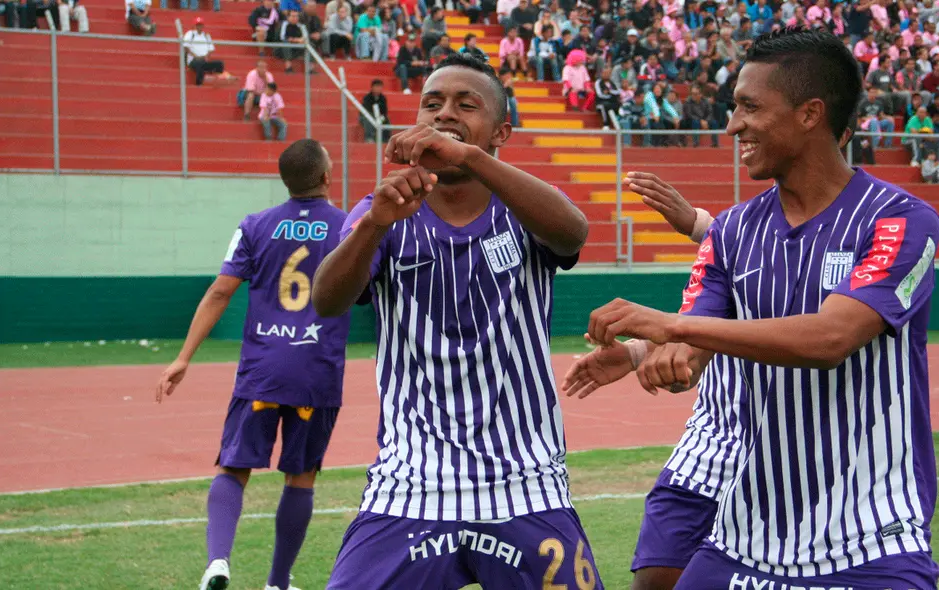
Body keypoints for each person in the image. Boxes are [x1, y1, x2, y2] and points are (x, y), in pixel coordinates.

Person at [572, 28, 939, 589]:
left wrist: (670, 326)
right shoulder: (731, 232)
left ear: (810, 114)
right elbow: (690, 351)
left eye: (749, 107)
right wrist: (660, 356)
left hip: (872, 539)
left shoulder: (900, 220)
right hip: (744, 541)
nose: (732, 125)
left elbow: (831, 339)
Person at [312, 52, 603, 590]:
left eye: (466, 106)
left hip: (526, 482)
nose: (445, 114)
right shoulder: (381, 210)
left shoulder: (523, 203)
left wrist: (471, 159)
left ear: (500, 132)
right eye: (432, 103)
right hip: (410, 483)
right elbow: (326, 302)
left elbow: (573, 233)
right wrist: (374, 226)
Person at [154, 139, 351, 590]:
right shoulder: (347, 227)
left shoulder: (254, 225)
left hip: (262, 369)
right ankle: (278, 582)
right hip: (316, 371)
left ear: (285, 181)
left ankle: (217, 564)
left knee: (233, 467)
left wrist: (183, 357)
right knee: (300, 477)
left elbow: (221, 291)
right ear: (326, 177)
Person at [183, 18, 234, 86]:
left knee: (220, 63)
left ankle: (217, 79)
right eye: (197, 25)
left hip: (204, 60)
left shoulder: (206, 35)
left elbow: (210, 49)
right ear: (194, 26)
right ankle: (199, 84)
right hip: (193, 60)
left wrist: (206, 56)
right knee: (199, 64)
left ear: (203, 26)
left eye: (200, 25)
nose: (199, 27)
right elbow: (186, 47)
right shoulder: (190, 34)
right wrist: (195, 56)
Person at [360, 78, 390, 143]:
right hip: (367, 117)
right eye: (377, 86)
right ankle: (369, 138)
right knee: (368, 118)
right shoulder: (367, 98)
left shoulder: (383, 98)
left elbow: (384, 111)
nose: (378, 89)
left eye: (380, 87)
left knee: (386, 119)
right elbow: (367, 110)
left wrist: (381, 116)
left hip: (379, 117)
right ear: (372, 87)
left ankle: (386, 139)